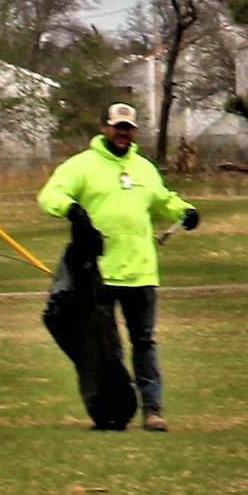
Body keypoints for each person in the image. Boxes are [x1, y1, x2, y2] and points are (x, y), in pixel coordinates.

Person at [38, 103, 199, 431]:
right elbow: (49, 195)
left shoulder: (144, 168)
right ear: (104, 127)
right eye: (117, 126)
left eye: (128, 128)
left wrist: (185, 210)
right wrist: (71, 210)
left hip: (140, 272)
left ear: (134, 131)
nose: (123, 133)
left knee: (144, 342)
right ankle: (109, 408)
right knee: (103, 345)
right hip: (98, 274)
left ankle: (152, 410)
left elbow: (162, 200)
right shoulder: (81, 165)